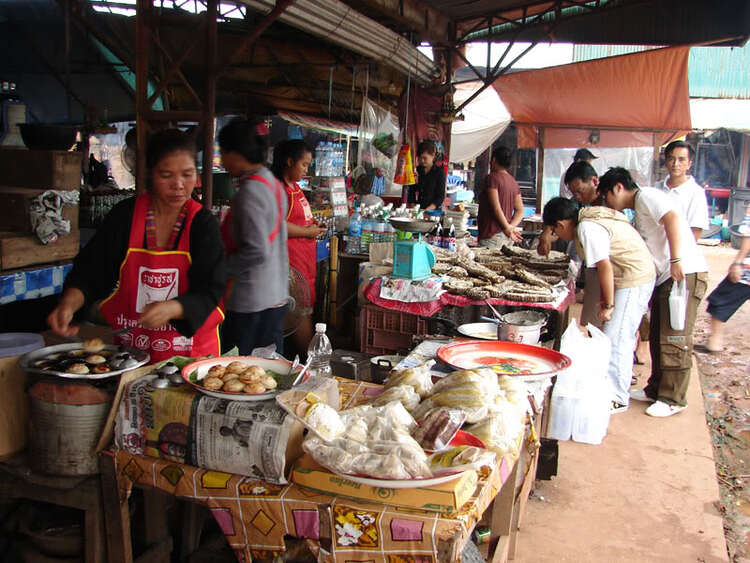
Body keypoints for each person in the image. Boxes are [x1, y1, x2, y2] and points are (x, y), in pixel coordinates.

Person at [47, 129, 226, 362]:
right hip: (132, 350)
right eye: (166, 175)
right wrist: (68, 305)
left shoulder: (202, 223)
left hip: (192, 355)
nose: (179, 185)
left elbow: (212, 288)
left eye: (187, 174)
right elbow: (91, 271)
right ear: (151, 174)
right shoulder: (126, 216)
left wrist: (174, 308)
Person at [598, 167, 708, 417]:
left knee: (675, 337)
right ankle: (656, 389)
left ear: (618, 187)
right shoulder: (638, 206)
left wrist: (676, 259)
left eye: (607, 196)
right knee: (659, 335)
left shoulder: (646, 196)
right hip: (665, 277)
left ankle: (673, 398)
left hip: (682, 273)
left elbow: (672, 218)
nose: (608, 203)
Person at [542, 197, 655, 413]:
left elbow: (604, 265)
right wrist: (606, 299)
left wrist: (609, 305)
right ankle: (613, 389)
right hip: (631, 276)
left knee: (617, 337)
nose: (559, 237)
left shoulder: (586, 228)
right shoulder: (587, 221)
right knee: (617, 334)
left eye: (555, 232)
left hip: (634, 277)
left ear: (561, 225)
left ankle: (617, 397)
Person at [218, 118, 289, 356]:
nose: (222, 160)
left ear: (235, 153)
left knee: (243, 370)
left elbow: (257, 250)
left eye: (223, 152)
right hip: (275, 293)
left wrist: (219, 271)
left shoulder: (250, 192)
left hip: (252, 300)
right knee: (268, 367)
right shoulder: (273, 183)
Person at [271, 139, 327, 352]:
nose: (306, 170)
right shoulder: (278, 190)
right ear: (288, 162)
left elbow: (297, 219)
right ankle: (309, 360)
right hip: (289, 267)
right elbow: (276, 225)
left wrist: (312, 225)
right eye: (303, 165)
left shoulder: (294, 187)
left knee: (305, 310)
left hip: (304, 265)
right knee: (299, 313)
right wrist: (307, 232)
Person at [539, 161, 604, 328]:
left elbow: (605, 263)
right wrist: (546, 233)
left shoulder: (605, 206)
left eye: (580, 191)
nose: (577, 197)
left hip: (611, 272)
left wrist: (609, 302)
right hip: (597, 271)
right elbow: (561, 209)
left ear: (595, 181)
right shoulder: (581, 203)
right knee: (593, 323)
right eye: (574, 193)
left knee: (605, 326)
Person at [698, 203, 750, 353]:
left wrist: (737, 263)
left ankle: (714, 343)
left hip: (746, 271)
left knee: (720, 301)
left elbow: (748, 242)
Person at [659, 140, 709, 241]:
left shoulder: (696, 193)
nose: (675, 164)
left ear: (689, 164)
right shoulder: (656, 188)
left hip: (678, 253)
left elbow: (695, 232)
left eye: (681, 160)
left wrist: (678, 256)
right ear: (665, 161)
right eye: (671, 158)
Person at [477, 146, 524, 247]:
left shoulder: (492, 179)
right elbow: (520, 211)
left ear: (493, 160)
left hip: (492, 236)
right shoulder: (513, 182)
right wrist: (510, 227)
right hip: (506, 236)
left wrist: (507, 228)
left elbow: (496, 208)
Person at [408, 140, 445, 210]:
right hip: (418, 209)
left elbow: (440, 197)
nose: (422, 160)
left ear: (433, 155)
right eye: (420, 158)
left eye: (425, 158)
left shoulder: (439, 172)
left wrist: (427, 210)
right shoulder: (417, 171)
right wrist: (414, 208)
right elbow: (411, 192)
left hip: (433, 211)